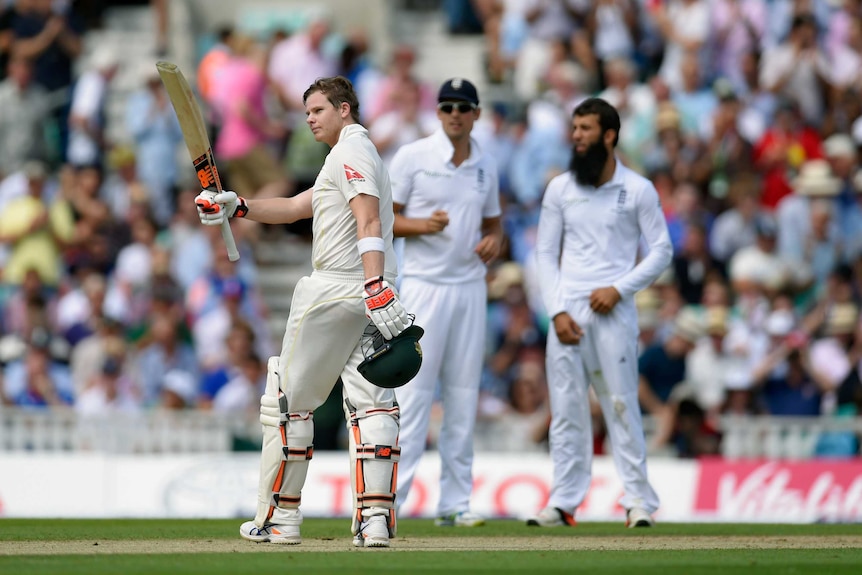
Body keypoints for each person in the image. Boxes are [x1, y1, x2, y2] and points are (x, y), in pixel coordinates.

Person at [194, 76, 410, 548]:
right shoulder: (351, 155)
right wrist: (240, 206)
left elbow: (368, 218)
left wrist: (372, 281)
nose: (309, 118)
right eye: (307, 111)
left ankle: (279, 519)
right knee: (372, 403)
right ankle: (375, 521)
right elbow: (295, 207)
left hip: (337, 288)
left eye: (317, 110)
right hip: (370, 292)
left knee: (287, 403)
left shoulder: (351, 152)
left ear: (345, 109)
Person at [531, 97, 673, 528]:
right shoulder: (560, 188)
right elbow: (545, 254)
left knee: (621, 404)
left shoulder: (637, 189)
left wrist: (619, 287)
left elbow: (662, 250)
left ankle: (637, 502)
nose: (576, 136)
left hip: (613, 310)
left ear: (609, 135)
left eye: (586, 129)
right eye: (574, 128)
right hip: (567, 312)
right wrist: (556, 311)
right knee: (568, 408)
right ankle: (564, 501)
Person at [388, 77, 503, 527]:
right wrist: (422, 226)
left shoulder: (485, 164)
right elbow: (384, 219)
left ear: (475, 114)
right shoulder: (413, 156)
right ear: (438, 113)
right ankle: (386, 504)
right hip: (423, 286)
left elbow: (494, 223)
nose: (455, 114)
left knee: (462, 396)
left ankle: (454, 504)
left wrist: (493, 241)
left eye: (463, 107)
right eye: (447, 107)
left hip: (470, 287)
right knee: (413, 396)